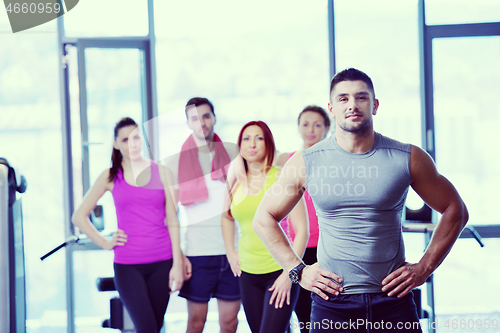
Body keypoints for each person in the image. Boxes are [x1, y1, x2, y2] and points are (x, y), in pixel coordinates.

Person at [253, 68, 468, 333]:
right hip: (332, 303)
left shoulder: (407, 157)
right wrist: (298, 270)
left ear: (375, 105)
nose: (352, 105)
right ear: (332, 108)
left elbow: (455, 209)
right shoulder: (306, 162)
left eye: (361, 97)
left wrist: (424, 268)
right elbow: (263, 219)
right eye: (343, 99)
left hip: (393, 301)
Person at [72, 117, 184, 333]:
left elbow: (173, 219)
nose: (132, 144)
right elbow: (79, 217)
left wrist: (178, 264)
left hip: (163, 263)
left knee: (155, 327)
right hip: (128, 266)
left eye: (136, 137)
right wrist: (105, 243)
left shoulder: (162, 172)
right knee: (147, 328)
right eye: (125, 140)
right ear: (116, 144)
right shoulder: (110, 176)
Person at [221, 121, 309, 333]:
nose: (252, 144)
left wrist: (290, 273)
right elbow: (226, 217)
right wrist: (230, 251)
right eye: (246, 138)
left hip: (279, 270)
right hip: (248, 274)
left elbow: (302, 231)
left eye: (259, 138)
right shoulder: (234, 182)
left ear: (268, 144)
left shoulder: (281, 177)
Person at [164, 97, 241, 333]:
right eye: (195, 118)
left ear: (214, 118)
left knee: (229, 324)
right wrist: (179, 256)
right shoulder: (175, 163)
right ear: (188, 123)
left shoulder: (234, 153)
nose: (202, 123)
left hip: (233, 253)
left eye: (206, 116)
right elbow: (171, 215)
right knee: (195, 323)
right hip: (197, 255)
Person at [275, 105, 330, 333]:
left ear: (327, 128)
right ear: (298, 127)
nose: (311, 130)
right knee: (298, 311)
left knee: (323, 310)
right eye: (306, 124)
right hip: (295, 246)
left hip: (326, 245)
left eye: (317, 125)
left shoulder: (332, 160)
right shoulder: (285, 161)